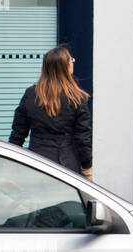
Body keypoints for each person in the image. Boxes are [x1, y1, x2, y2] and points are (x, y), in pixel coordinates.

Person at [10, 45, 93, 177]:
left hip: (36, 163)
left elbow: (17, 134)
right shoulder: (76, 98)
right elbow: (82, 138)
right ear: (65, 67)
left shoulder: (31, 94)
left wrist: (10, 163)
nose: (72, 63)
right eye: (71, 60)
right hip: (66, 166)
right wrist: (87, 168)